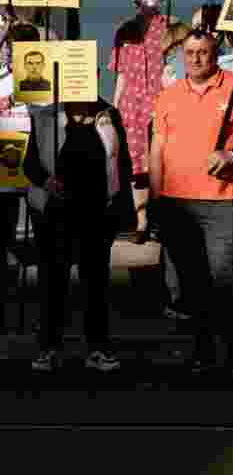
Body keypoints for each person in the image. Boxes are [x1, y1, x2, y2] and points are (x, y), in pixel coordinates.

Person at [149, 29, 233, 380]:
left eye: (203, 52)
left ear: (214, 54)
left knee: (226, 279)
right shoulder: (168, 95)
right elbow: (158, 149)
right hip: (175, 201)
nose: (196, 58)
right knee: (191, 283)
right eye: (190, 52)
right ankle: (201, 353)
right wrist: (155, 198)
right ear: (181, 56)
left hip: (221, 200)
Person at [25, 97, 134, 372]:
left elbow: (122, 162)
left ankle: (97, 349)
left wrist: (123, 209)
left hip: (97, 213)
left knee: (95, 284)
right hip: (55, 212)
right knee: (53, 282)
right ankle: (49, 348)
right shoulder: (45, 114)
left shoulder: (108, 114)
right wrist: (46, 181)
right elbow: (30, 165)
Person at [109, 0, 173, 245]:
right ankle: (141, 221)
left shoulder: (170, 29)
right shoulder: (124, 32)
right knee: (136, 165)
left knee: (161, 162)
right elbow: (121, 73)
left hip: (161, 101)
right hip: (131, 105)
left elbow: (175, 69)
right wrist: (114, 106)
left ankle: (161, 219)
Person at [0, 20, 40, 333]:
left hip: (39, 164)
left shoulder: (46, 78)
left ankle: (41, 307)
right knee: (4, 235)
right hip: (7, 164)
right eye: (12, 48)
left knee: (43, 234)